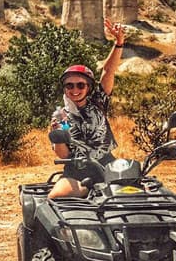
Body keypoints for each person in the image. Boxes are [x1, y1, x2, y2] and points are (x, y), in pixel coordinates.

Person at [48, 18, 126, 199]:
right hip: (78, 170)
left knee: (136, 195)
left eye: (80, 85)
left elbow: (108, 71)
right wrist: (58, 136)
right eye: (69, 85)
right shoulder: (60, 116)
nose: (75, 89)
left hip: (108, 165)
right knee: (56, 198)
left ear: (89, 87)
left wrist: (119, 42)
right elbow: (63, 155)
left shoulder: (98, 102)